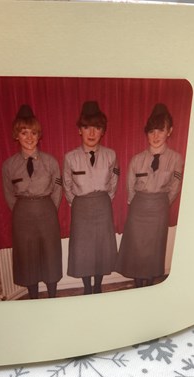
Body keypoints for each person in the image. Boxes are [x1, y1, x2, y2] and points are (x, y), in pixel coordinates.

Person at [115, 103, 183, 288]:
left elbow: (175, 188)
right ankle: (138, 285)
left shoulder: (176, 159)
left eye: (160, 130)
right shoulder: (137, 159)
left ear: (169, 131)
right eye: (151, 131)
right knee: (136, 248)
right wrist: (137, 202)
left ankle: (150, 286)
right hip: (138, 208)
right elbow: (130, 187)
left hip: (160, 207)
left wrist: (160, 203)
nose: (155, 136)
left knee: (154, 250)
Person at [2, 104, 62, 299]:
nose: (29, 138)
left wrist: (47, 208)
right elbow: (9, 194)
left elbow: (58, 189)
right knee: (28, 258)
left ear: (39, 135)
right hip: (22, 215)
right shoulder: (9, 165)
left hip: (47, 211)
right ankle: (33, 299)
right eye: (24, 132)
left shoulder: (51, 162)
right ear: (16, 135)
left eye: (33, 133)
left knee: (50, 254)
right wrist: (24, 209)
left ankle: (52, 297)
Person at [63, 101, 119, 294]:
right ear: (80, 130)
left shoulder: (111, 155)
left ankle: (98, 286)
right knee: (84, 250)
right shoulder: (70, 157)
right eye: (87, 127)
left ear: (103, 131)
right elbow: (67, 186)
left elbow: (114, 181)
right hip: (81, 207)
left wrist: (104, 199)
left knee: (102, 248)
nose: (92, 133)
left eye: (97, 128)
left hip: (103, 205)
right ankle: (87, 288)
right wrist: (78, 202)